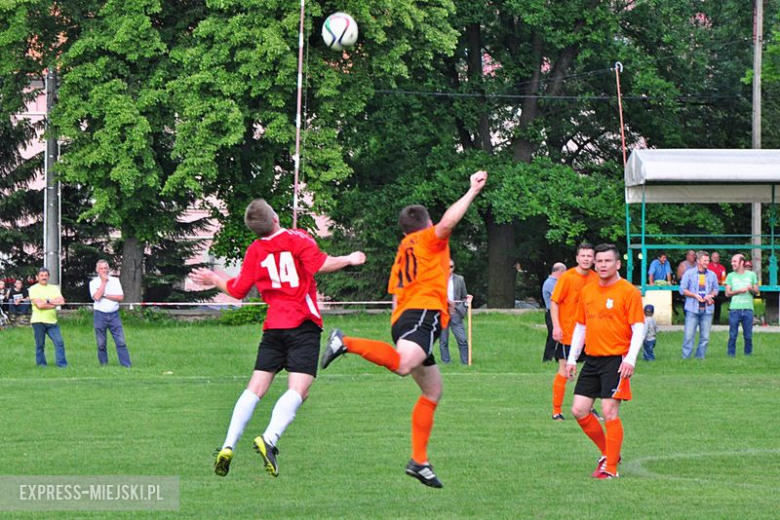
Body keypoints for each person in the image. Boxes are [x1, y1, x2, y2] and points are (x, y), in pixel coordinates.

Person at [320, 170, 488, 488]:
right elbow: (449, 224)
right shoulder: (425, 240)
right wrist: (471, 192)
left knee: (432, 391)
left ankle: (419, 461)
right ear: (426, 224)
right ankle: (345, 341)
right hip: (422, 314)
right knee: (402, 365)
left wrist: (399, 328)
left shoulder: (403, 251)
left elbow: (396, 296)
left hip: (405, 318)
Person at [190, 198, 366, 479]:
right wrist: (349, 259)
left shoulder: (255, 250)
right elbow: (321, 264)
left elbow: (236, 291)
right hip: (303, 323)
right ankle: (269, 439)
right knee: (299, 390)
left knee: (255, 389)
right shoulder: (298, 238)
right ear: (274, 218)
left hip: (273, 327)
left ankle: (227, 445)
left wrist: (214, 278)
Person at [565, 243, 645, 479]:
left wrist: (630, 359)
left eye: (607, 261)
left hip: (616, 359)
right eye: (598, 261)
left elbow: (638, 328)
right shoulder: (588, 291)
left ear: (617, 264)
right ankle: (609, 453)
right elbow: (581, 326)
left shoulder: (628, 291)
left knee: (609, 411)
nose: (601, 265)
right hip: (592, 359)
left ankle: (610, 468)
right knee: (579, 410)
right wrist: (572, 359)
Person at [549, 243, 598, 421]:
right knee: (564, 370)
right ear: (577, 258)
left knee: (591, 372)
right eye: (582, 255)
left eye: (589, 256)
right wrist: (556, 326)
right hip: (568, 332)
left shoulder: (596, 278)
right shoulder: (567, 277)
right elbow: (554, 301)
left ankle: (589, 408)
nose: (586, 259)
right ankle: (557, 411)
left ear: (593, 259)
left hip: (590, 335)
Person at [90, 260, 132, 367]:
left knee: (121, 341)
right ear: (97, 270)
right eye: (101, 268)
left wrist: (105, 295)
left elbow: (120, 297)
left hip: (114, 315)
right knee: (101, 343)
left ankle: (126, 365)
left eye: (105, 268)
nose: (104, 270)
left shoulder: (115, 281)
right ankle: (104, 364)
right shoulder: (93, 283)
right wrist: (103, 283)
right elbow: (96, 297)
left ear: (108, 269)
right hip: (100, 315)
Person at [679, 251, 719, 359]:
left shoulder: (712, 275)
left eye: (708, 260)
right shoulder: (689, 273)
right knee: (688, 336)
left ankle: (700, 358)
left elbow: (716, 289)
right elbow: (682, 289)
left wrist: (710, 295)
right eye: (704, 260)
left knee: (705, 337)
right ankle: (685, 359)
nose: (707, 262)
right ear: (698, 261)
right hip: (692, 309)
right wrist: (694, 295)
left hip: (707, 310)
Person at [28, 268, 67, 367]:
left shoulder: (54, 288)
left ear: (48, 277)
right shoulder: (33, 289)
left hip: (52, 322)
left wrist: (47, 301)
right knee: (40, 345)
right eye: (41, 275)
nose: (44, 277)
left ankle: (62, 365)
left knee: (59, 342)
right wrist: (53, 303)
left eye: (46, 275)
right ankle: (41, 365)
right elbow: (39, 305)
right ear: (37, 277)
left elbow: (62, 301)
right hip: (38, 321)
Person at [725, 254, 759, 357]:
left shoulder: (751, 275)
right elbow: (727, 293)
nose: (732, 263)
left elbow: (756, 291)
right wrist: (739, 291)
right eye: (732, 261)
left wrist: (751, 289)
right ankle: (731, 355)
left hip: (748, 309)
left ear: (741, 262)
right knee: (732, 335)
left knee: (748, 336)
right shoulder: (730, 276)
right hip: (734, 309)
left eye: (734, 261)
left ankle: (748, 355)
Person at [439, 259, 470, 365]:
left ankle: (465, 362)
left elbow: (464, 297)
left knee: (462, 339)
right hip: (442, 313)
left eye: (451, 267)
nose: (449, 269)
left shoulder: (460, 279)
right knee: (443, 340)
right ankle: (446, 362)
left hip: (456, 313)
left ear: (454, 267)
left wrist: (462, 308)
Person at [542, 263, 566, 362]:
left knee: (561, 336)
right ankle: (548, 358)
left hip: (559, 313)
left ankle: (558, 357)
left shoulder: (556, 282)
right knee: (553, 336)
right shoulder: (550, 283)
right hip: (551, 313)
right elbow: (559, 297)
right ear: (560, 272)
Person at [708, 251, 727, 323]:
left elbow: (723, 280)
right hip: (709, 288)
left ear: (719, 258)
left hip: (718, 288)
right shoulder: (708, 266)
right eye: (714, 257)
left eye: (717, 257)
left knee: (718, 304)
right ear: (711, 258)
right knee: (708, 304)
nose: (715, 258)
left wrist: (718, 282)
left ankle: (716, 320)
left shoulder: (722, 267)